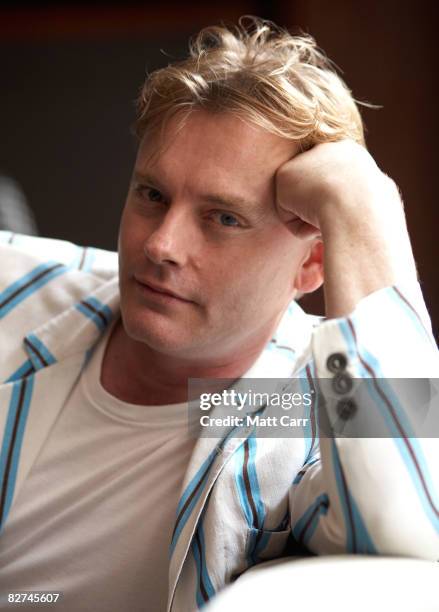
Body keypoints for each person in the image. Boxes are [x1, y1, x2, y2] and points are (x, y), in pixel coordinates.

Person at [0, 16, 437, 612]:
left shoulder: (299, 412)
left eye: (223, 218)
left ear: (312, 267)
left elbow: (418, 525)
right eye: (152, 195)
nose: (161, 246)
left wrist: (365, 202)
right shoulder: (16, 288)